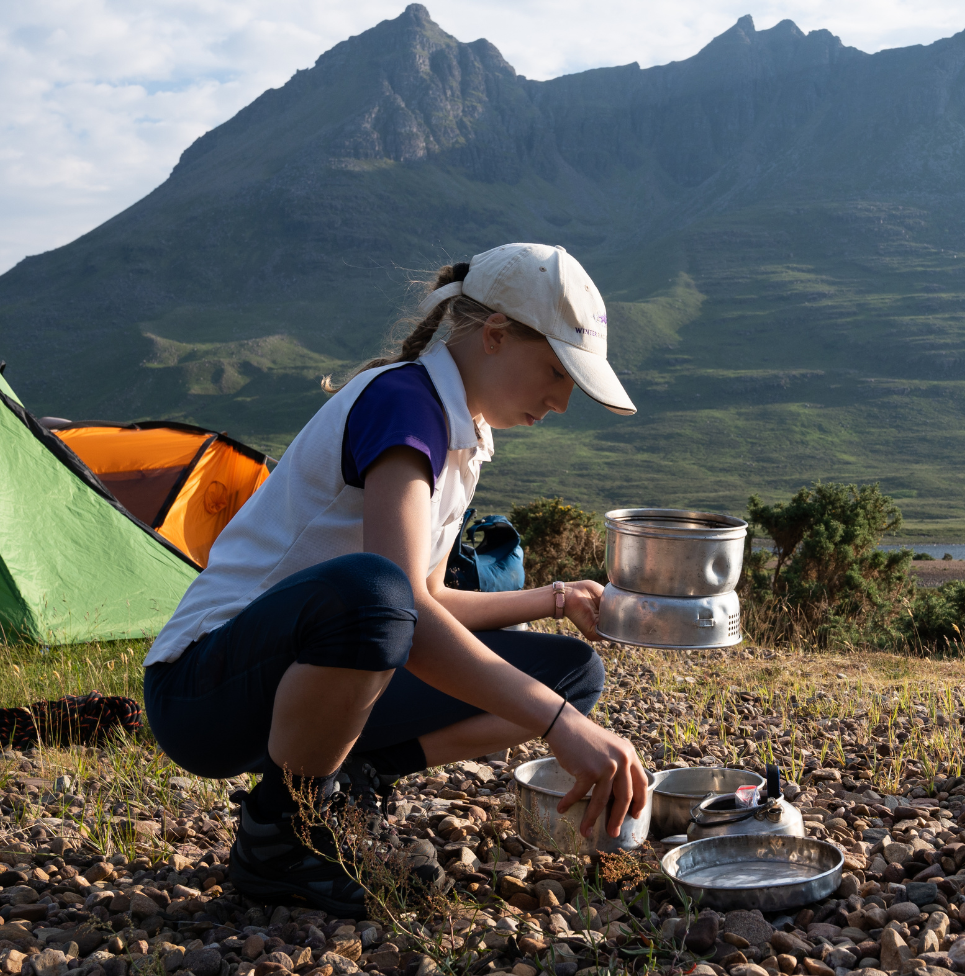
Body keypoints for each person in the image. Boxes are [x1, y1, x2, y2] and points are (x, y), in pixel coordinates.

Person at [143, 242, 648, 916]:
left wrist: (557, 600)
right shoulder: (405, 404)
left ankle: (347, 777)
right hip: (202, 690)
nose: (561, 401)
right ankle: (283, 837)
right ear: (495, 335)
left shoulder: (463, 431)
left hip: (307, 675)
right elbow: (400, 604)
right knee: (376, 594)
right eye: (556, 372)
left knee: (572, 674)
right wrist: (557, 725)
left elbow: (427, 601)